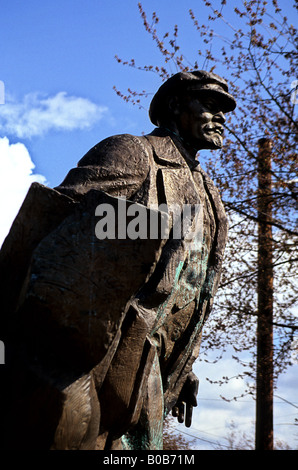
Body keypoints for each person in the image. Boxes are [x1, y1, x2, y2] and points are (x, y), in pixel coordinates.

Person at [0, 70, 236, 450]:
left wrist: (185, 364)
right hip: (110, 346)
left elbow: (193, 283)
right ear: (175, 106)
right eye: (210, 105)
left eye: (224, 109)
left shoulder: (209, 192)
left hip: (157, 362)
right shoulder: (135, 153)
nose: (222, 117)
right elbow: (58, 222)